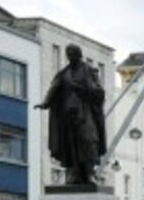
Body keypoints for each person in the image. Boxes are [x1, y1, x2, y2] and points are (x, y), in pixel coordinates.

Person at [35, 44, 107, 186]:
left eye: (72, 54)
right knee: (70, 145)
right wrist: (45, 103)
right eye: (68, 54)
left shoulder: (89, 71)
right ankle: (73, 173)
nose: (70, 56)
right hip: (68, 115)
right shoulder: (64, 73)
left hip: (85, 112)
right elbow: (54, 88)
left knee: (89, 140)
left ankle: (89, 173)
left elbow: (99, 91)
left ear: (79, 55)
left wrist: (82, 89)